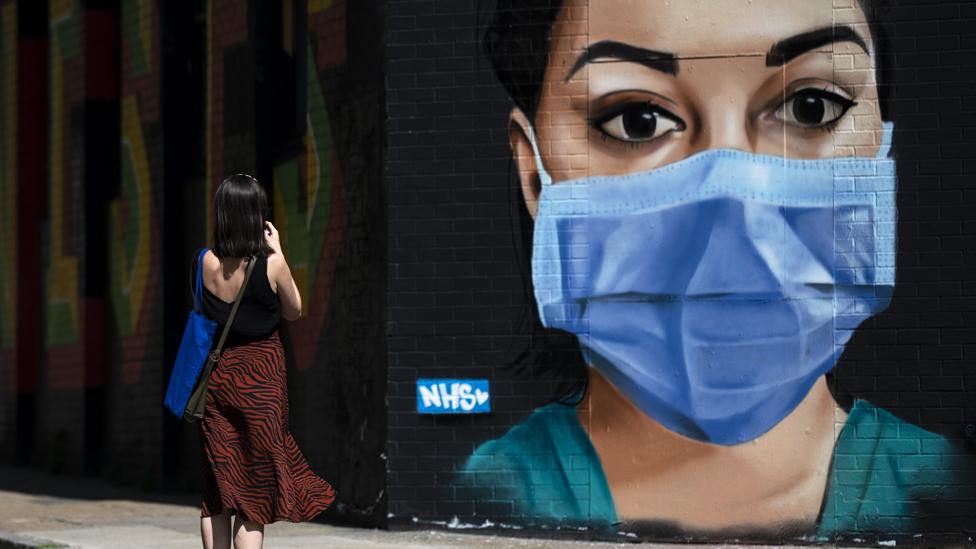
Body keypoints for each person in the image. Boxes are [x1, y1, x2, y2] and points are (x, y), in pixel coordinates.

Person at [463, 0, 966, 539]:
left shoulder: (946, 487)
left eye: (812, 107)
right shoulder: (488, 495)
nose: (734, 205)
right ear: (535, 176)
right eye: (637, 120)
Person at [193, 173, 335, 549]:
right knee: (255, 493)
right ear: (258, 216)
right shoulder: (270, 265)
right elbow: (295, 310)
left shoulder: (204, 262)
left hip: (217, 380)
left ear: (222, 214)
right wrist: (280, 254)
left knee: (218, 488)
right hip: (263, 383)